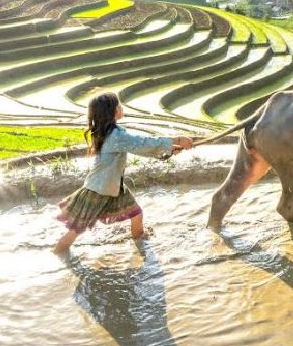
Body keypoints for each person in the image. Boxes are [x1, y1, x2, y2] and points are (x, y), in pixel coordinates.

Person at [53, 92, 193, 253]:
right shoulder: (114, 136)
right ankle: (57, 254)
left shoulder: (114, 132)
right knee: (76, 230)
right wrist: (175, 140)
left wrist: (167, 151)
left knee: (137, 214)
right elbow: (142, 143)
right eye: (118, 105)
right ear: (111, 111)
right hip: (98, 190)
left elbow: (138, 148)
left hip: (112, 186)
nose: (121, 107)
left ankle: (141, 247)